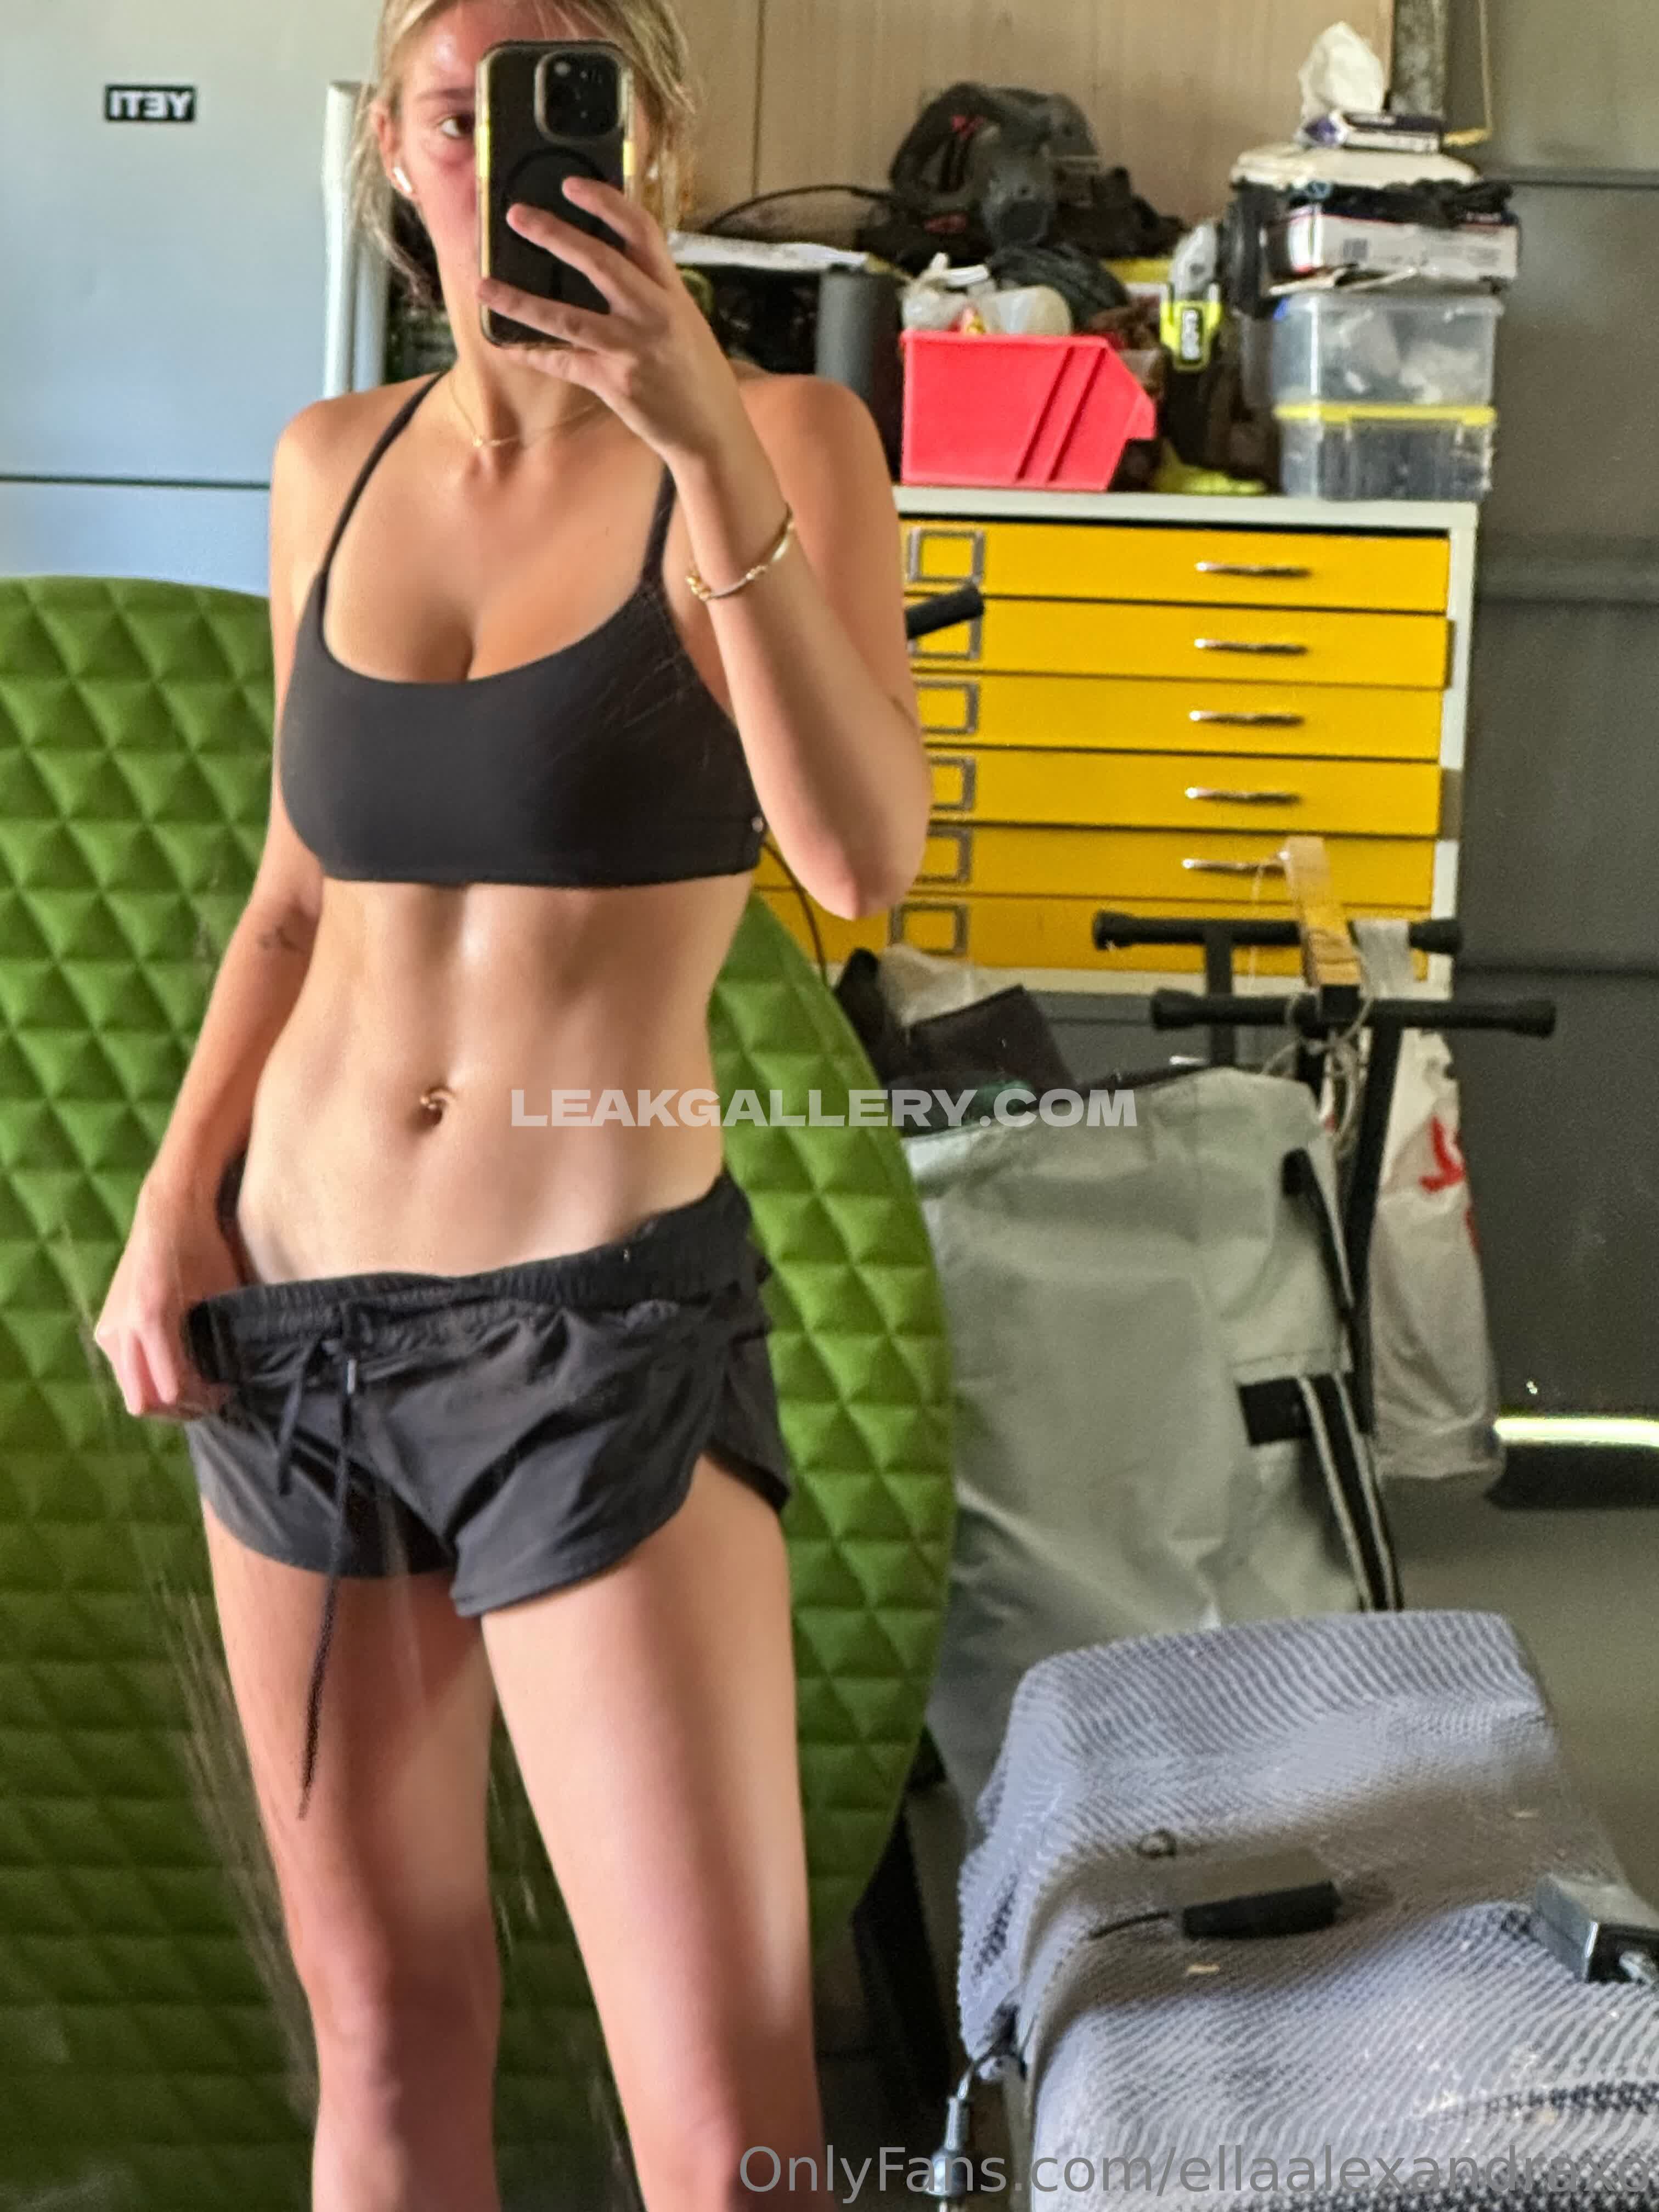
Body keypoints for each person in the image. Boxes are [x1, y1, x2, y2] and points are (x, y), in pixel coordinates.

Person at [92, 0, 930, 2203]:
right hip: (294, 1330)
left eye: (562, 110)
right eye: (453, 115)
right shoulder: (329, 463)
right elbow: (297, 898)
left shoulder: (787, 440)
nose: (499, 158)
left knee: (728, 2116)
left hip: (593, 1331)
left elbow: (859, 863)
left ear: (650, 146)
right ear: (394, 149)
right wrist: (174, 1203)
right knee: (383, 2028)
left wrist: (706, 448)